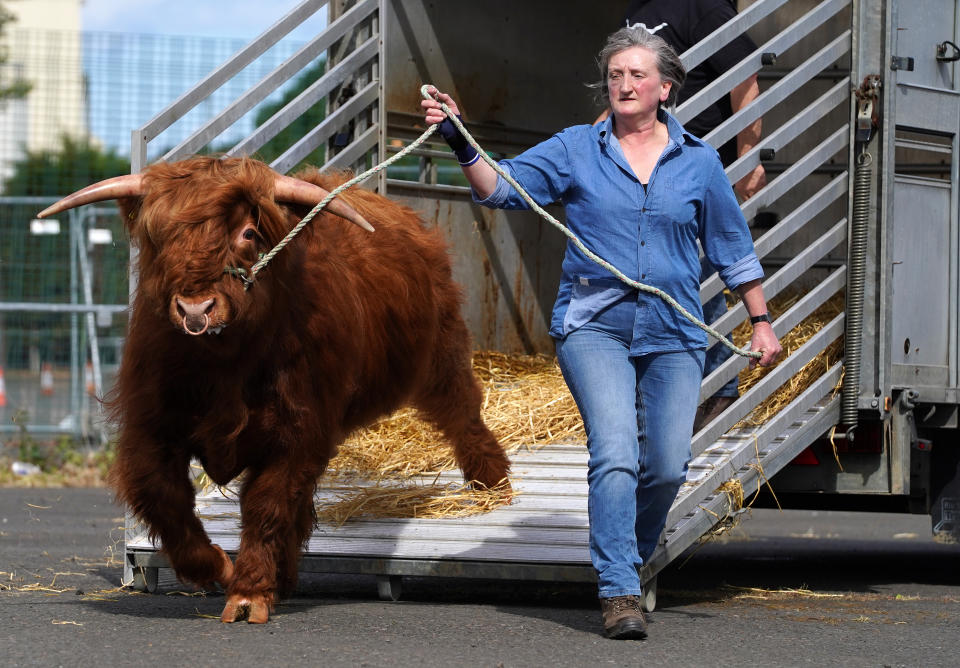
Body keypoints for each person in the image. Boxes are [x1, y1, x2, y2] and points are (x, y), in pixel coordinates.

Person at [422, 27, 781, 640]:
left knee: (667, 465)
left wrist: (761, 320)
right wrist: (459, 137)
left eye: (637, 74)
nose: (624, 84)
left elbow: (731, 246)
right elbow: (498, 190)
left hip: (674, 331)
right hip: (594, 326)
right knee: (616, 452)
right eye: (615, 74)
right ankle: (618, 589)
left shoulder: (698, 161)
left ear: (664, 88)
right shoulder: (574, 150)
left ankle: (628, 555)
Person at [620, 0, 769, 431]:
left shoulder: (701, 6)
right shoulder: (636, 11)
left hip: (691, 160)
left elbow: (744, 74)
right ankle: (660, 389)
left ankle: (720, 386)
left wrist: (747, 155)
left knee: (697, 270)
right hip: (645, 159)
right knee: (654, 273)